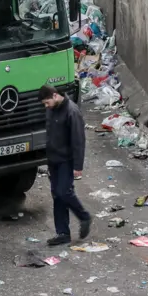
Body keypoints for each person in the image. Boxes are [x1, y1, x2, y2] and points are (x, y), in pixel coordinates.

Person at [40, 84, 90, 246]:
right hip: (53, 160)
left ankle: (84, 217)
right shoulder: (51, 109)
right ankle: (62, 233)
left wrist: (78, 166)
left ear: (55, 96)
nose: (46, 106)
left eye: (47, 102)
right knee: (57, 195)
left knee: (64, 192)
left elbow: (78, 141)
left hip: (66, 160)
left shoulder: (72, 112)